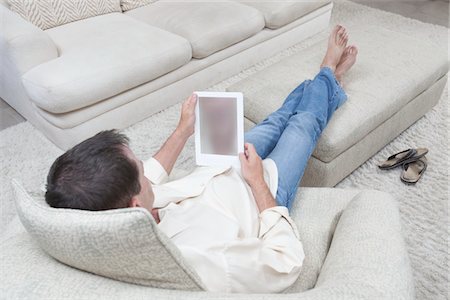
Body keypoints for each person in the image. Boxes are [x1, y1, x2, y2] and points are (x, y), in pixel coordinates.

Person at [45, 25, 358, 293]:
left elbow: (152, 175)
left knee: (276, 120)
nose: (146, 168)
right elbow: (285, 263)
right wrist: (258, 183)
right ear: (135, 207)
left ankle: (328, 84)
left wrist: (183, 130)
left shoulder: (112, 208)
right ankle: (328, 72)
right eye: (139, 171)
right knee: (302, 125)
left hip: (222, 165)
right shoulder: (201, 261)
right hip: (261, 190)